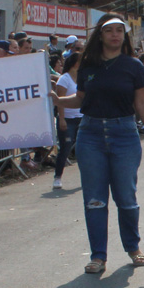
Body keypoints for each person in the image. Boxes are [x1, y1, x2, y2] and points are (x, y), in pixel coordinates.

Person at [51, 14, 144, 274]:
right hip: (91, 135)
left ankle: (133, 247)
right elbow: (80, 100)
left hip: (124, 133)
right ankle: (98, 256)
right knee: (95, 200)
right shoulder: (87, 65)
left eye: (119, 31)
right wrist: (57, 100)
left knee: (126, 198)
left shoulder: (133, 66)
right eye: (109, 31)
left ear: (124, 36)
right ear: (100, 35)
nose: (114, 35)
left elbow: (142, 102)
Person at [52, 51, 83, 190]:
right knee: (65, 147)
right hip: (68, 118)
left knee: (83, 148)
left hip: (81, 117)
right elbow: (60, 101)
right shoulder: (64, 79)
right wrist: (62, 119)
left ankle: (86, 176)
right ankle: (58, 176)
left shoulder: (83, 77)